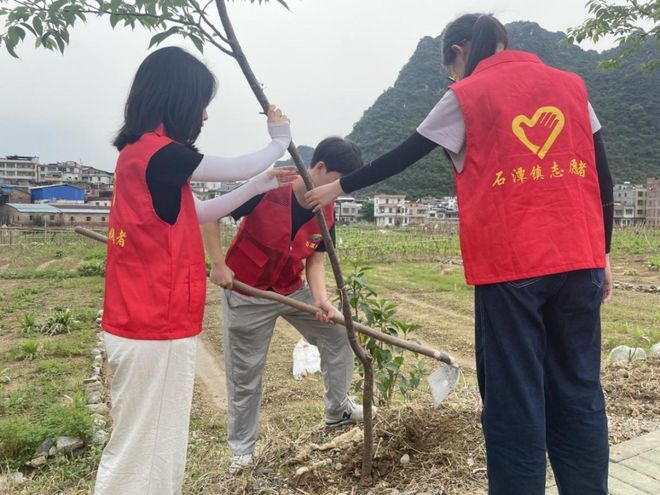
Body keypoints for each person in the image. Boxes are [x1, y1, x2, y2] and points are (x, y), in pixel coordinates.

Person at [305, 14, 614, 495]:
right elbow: (603, 176)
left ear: (459, 50)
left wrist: (338, 188)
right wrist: (605, 253)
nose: (454, 73)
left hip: (512, 269)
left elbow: (404, 154)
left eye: (451, 64)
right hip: (581, 261)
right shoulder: (571, 85)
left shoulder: (467, 94)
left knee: (515, 402)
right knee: (578, 392)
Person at [96, 46, 296, 495]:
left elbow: (198, 211)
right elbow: (230, 168)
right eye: (201, 103)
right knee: (142, 449)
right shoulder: (157, 153)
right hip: (153, 328)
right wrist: (278, 143)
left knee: (151, 443)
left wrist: (260, 185)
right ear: (178, 98)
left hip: (146, 324)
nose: (204, 115)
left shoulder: (141, 156)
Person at [201, 137, 372, 474]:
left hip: (292, 289)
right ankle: (243, 451)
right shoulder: (267, 187)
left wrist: (321, 300)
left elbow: (317, 260)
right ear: (318, 168)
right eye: (336, 181)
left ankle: (337, 410)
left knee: (338, 333)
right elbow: (210, 216)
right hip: (247, 291)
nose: (337, 190)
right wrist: (219, 264)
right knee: (246, 373)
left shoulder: (327, 207)